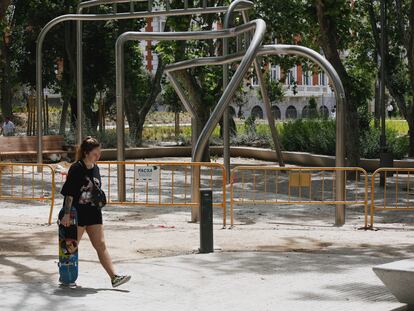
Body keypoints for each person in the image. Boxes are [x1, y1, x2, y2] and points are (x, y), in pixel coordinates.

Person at [60, 136, 131, 288]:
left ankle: (114, 277)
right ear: (86, 153)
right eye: (95, 153)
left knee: (101, 244)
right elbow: (69, 193)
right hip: (77, 214)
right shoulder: (77, 168)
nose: (98, 156)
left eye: (99, 153)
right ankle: (65, 274)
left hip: (93, 213)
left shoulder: (96, 168)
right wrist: (66, 214)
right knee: (71, 245)